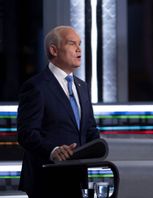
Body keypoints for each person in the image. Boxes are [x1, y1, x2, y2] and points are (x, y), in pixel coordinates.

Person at [17, 26, 100, 198]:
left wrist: (104, 148)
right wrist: (53, 150)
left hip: (76, 179)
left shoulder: (82, 87)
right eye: (72, 43)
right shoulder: (36, 86)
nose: (79, 49)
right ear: (54, 50)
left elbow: (90, 130)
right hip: (47, 180)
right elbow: (27, 133)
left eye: (80, 44)